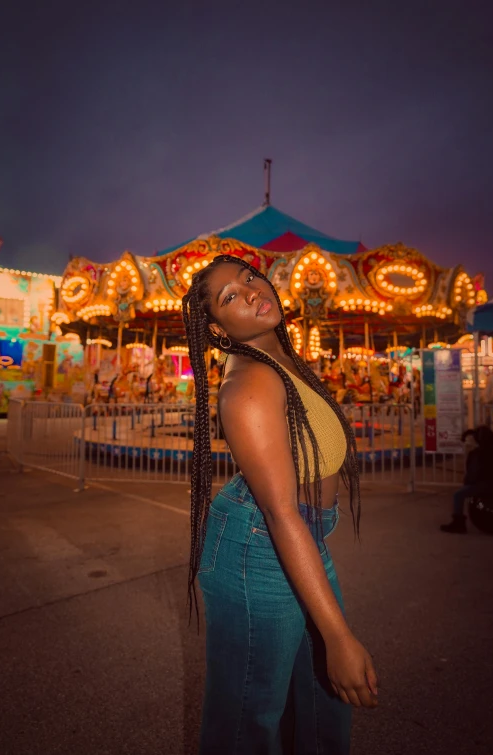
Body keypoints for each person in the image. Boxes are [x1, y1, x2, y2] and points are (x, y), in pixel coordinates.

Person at [182, 255, 378, 754]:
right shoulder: (248, 386)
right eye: (229, 297)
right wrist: (338, 636)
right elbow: (281, 512)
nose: (249, 291)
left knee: (326, 706)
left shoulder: (280, 360)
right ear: (216, 328)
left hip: (295, 534)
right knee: (250, 718)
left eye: (249, 277)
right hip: (260, 546)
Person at [440, 426, 493, 534]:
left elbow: (473, 474)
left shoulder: (476, 454)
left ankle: (458, 523)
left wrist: (468, 484)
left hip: (485, 484)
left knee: (458, 495)